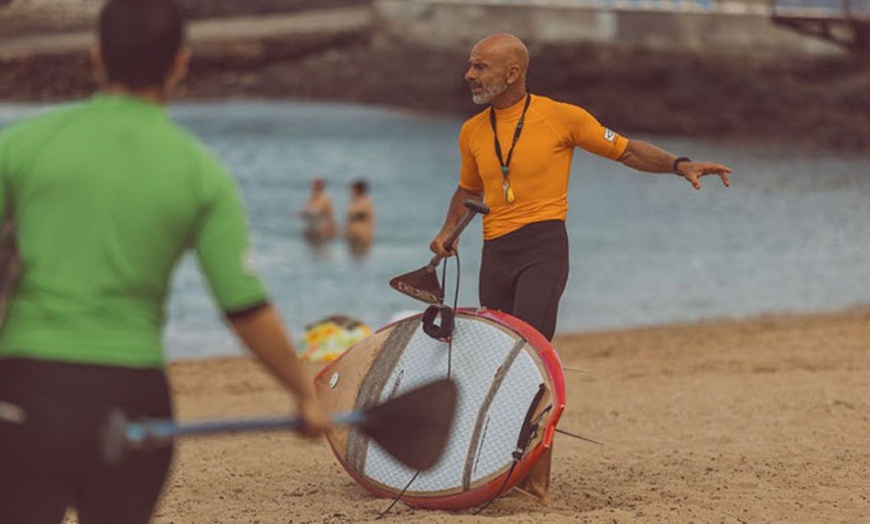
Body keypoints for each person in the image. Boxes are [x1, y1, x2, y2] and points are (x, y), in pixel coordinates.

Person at [0, 0, 331, 522]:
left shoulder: (22, 146)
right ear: (181, 62)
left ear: (98, 55)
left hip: (25, 390)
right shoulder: (200, 172)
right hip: (130, 396)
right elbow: (243, 306)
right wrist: (301, 393)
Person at [428, 33, 732, 504]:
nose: (470, 74)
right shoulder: (472, 131)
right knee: (502, 362)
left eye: (481, 66)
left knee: (533, 358)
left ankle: (538, 480)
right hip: (495, 255)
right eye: (470, 65)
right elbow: (470, 190)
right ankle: (510, 467)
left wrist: (679, 164)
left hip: (542, 249)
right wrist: (450, 231)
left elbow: (627, 150)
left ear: (513, 73)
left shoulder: (561, 118)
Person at [296, 177, 338, 243]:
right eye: (313, 185)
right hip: (310, 229)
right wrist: (300, 214)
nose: (313, 187)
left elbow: (331, 216)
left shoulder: (326, 200)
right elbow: (307, 213)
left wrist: (332, 230)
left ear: (320, 187)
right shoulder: (311, 199)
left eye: (315, 185)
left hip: (321, 230)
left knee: (319, 249)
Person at [344, 178, 375, 256]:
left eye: (355, 189)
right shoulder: (352, 202)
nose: (352, 191)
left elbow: (364, 216)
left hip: (362, 236)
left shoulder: (366, 202)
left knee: (361, 256)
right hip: (352, 235)